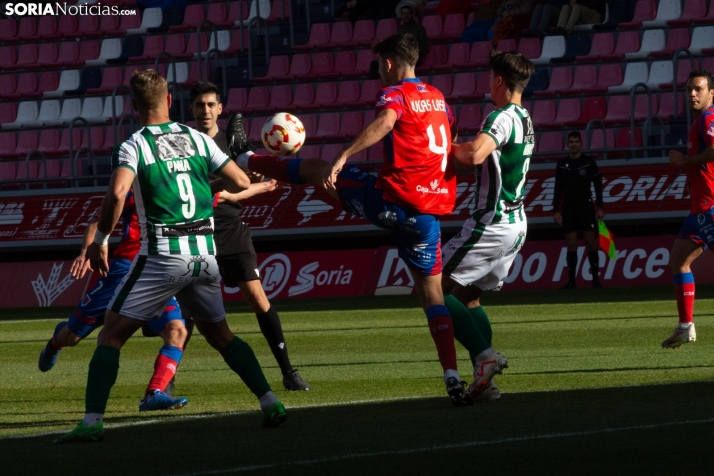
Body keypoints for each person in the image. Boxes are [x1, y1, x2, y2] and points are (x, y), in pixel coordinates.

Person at [237, 33, 473, 406]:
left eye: (380, 64)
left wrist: (345, 154)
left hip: (390, 200)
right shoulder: (439, 98)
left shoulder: (395, 93)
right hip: (427, 214)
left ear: (391, 63)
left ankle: (244, 159)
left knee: (320, 170)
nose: (379, 71)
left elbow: (386, 121)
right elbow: (451, 133)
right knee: (432, 295)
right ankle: (452, 374)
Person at [54, 69, 286, 444]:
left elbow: (116, 196)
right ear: (169, 101)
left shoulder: (134, 145)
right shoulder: (196, 138)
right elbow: (242, 182)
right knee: (222, 336)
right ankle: (270, 402)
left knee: (110, 336)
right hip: (204, 255)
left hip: (162, 255)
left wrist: (101, 239)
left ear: (133, 107)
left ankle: (92, 421)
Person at [189, 81, 310, 391]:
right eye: (200, 104)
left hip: (231, 229)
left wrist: (256, 179)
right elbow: (217, 192)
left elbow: (245, 180)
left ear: (219, 109)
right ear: (192, 109)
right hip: (194, 231)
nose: (205, 110)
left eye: (210, 104)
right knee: (190, 309)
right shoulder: (184, 145)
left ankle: (288, 372)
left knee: (257, 298)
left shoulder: (234, 143)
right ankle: (166, 380)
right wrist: (252, 186)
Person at [38, 192, 193, 412]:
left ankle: (154, 393)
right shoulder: (134, 190)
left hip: (156, 272)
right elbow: (96, 223)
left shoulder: (181, 186)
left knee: (177, 330)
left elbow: (221, 189)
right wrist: (86, 251)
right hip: (123, 271)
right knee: (71, 337)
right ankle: (55, 343)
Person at [441, 50, 536, 401]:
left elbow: (474, 155)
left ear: (499, 81)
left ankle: (485, 357)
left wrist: (437, 146)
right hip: (515, 223)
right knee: (469, 297)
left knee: (434, 292)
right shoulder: (524, 117)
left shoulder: (502, 116)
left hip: (492, 223)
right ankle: (487, 381)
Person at [663, 69, 714, 349]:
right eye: (689, 89)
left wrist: (686, 161)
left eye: (698, 89)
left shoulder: (709, 118)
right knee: (678, 261)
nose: (692, 94)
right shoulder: (698, 121)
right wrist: (691, 177)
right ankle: (685, 327)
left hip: (711, 207)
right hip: (699, 209)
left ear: (711, 93)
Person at [552, 131, 605, 290]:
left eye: (576, 141)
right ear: (567, 144)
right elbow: (558, 189)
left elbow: (597, 186)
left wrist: (600, 207)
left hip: (586, 208)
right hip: (568, 209)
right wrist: (556, 210)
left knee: (591, 244)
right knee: (571, 245)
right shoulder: (561, 164)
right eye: (571, 142)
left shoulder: (589, 162)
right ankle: (571, 282)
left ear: (581, 144)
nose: (574, 144)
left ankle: (595, 281)